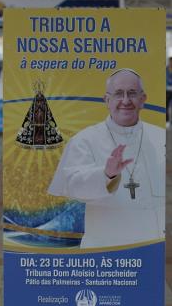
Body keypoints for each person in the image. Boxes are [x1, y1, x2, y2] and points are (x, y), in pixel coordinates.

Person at [48, 69, 165, 248]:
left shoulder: (160, 137)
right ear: (107, 100)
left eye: (132, 93)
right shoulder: (85, 139)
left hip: (151, 244)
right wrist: (105, 175)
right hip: (105, 250)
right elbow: (72, 185)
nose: (125, 101)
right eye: (118, 94)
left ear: (143, 100)